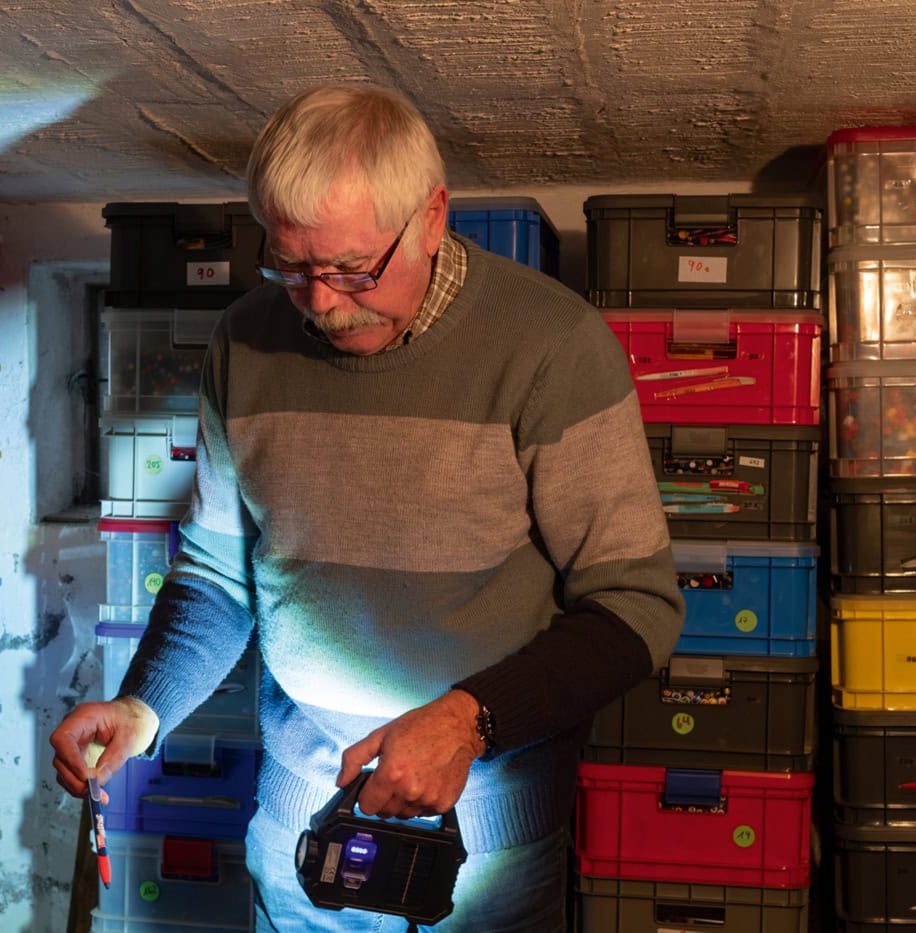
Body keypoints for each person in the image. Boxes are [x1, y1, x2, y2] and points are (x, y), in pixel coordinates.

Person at [51, 84, 684, 931]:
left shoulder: (552, 346)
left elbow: (636, 607)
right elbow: (216, 574)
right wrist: (143, 704)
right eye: (291, 266)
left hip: (480, 851)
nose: (319, 302)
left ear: (431, 217)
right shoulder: (244, 340)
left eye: (352, 269)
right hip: (298, 831)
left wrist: (469, 721)